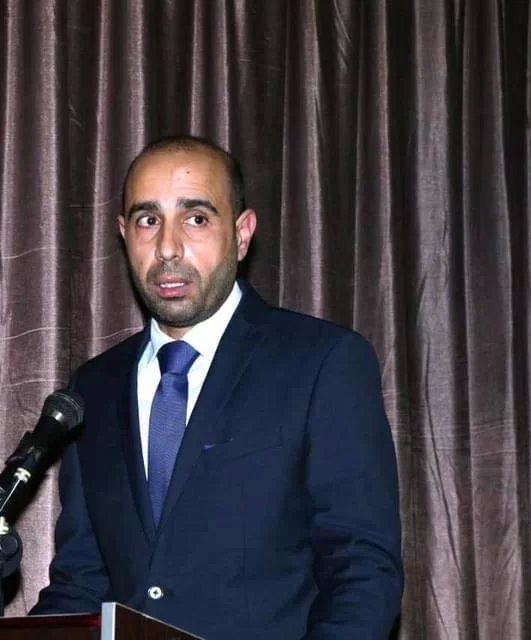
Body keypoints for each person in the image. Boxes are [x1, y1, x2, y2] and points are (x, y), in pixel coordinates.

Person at [31, 135, 403, 638]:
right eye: (148, 220)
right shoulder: (92, 389)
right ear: (124, 234)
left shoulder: (322, 363)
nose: (167, 247)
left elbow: (362, 570)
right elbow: (80, 582)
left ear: (242, 234)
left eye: (196, 219)